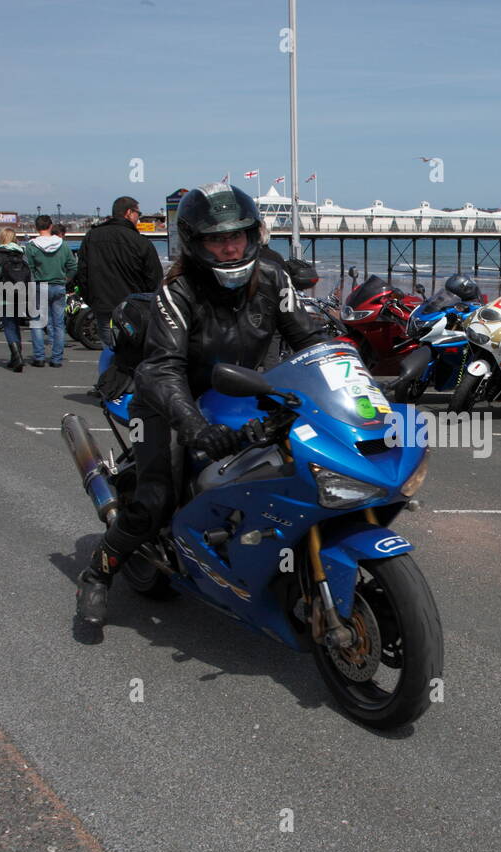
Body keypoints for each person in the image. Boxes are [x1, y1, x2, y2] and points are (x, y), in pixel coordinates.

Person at [75, 183, 328, 625]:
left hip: (241, 391)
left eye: (238, 236)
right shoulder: (179, 291)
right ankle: (98, 573)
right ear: (195, 243)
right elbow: (164, 368)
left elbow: (309, 339)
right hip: (169, 401)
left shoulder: (272, 277)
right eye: (217, 239)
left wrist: (360, 391)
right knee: (156, 497)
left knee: (299, 465)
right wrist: (194, 428)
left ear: (253, 236)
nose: (230, 248)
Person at [76, 196, 162, 346]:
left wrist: (91, 299)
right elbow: (154, 278)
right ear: (129, 213)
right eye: (138, 214)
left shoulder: (91, 237)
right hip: (132, 306)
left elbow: (83, 272)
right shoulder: (140, 242)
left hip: (102, 304)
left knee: (109, 350)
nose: (138, 219)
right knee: (132, 352)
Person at [25, 215, 77, 367]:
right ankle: (56, 359)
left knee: (37, 322)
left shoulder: (31, 246)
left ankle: (39, 357)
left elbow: (29, 268)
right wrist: (65, 279)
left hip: (40, 285)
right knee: (58, 324)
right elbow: (73, 267)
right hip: (58, 285)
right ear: (50, 226)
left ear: (36, 227)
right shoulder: (63, 245)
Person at [0, 228, 33, 372]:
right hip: (21, 293)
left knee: (8, 325)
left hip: (5, 294)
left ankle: (16, 356)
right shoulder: (22, 253)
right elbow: (29, 274)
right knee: (16, 325)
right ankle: (15, 357)